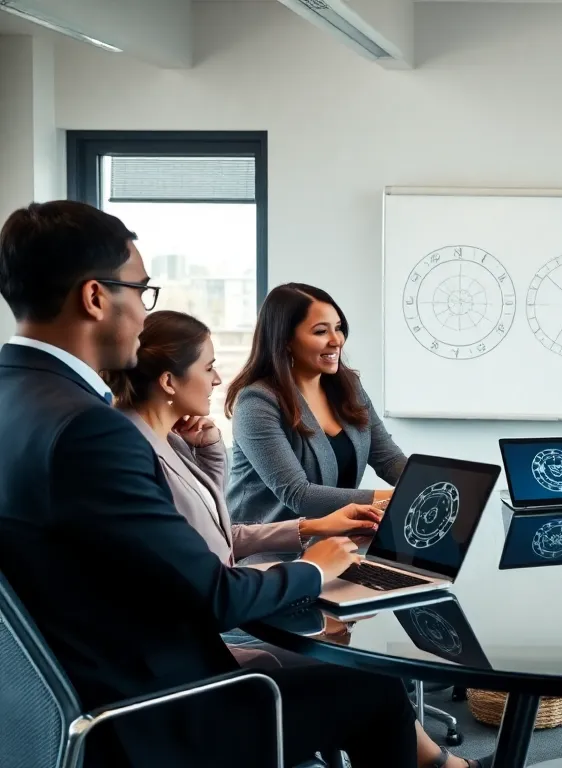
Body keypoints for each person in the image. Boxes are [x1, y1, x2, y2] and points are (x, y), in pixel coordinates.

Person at [0, 201, 466, 768]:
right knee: (371, 691)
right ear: (96, 298)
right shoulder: (90, 429)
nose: (146, 316)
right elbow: (214, 596)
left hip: (59, 697)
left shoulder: (17, 399)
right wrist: (315, 567)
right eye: (141, 291)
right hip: (153, 710)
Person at [103, 308, 476, 768]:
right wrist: (313, 567)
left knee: (370, 674)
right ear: (167, 382)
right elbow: (225, 560)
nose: (218, 379)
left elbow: (215, 528)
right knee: (372, 685)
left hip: (212, 635)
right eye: (208, 367)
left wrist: (215, 456)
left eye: (340, 327)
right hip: (196, 676)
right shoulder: (143, 451)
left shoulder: (169, 441)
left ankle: (442, 765)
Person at [226, 282, 407, 526]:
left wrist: (431, 484)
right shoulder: (257, 402)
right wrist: (400, 498)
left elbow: (389, 460)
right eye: (321, 331)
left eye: (339, 328)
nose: (337, 341)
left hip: (337, 541)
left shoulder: (349, 387)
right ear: (286, 339)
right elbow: (299, 495)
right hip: (269, 551)